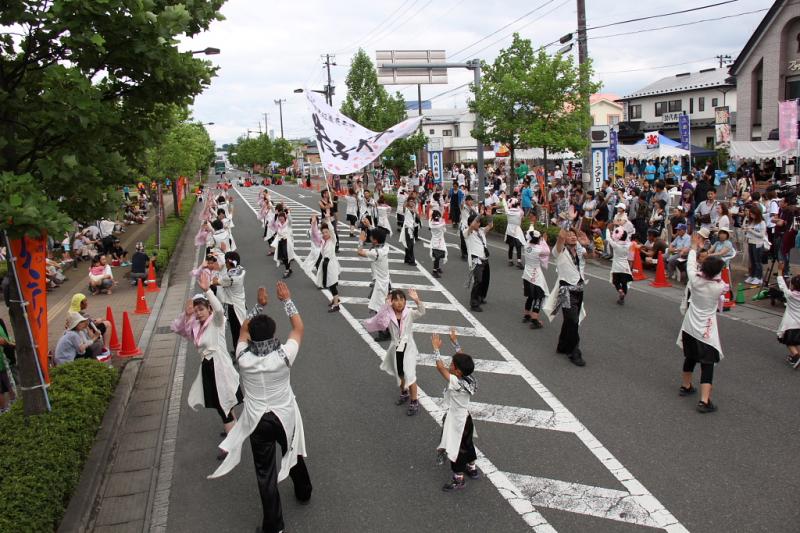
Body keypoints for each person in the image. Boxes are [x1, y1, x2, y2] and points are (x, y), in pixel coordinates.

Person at [209, 282, 312, 533]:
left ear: (252, 337)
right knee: (293, 450)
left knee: (265, 472)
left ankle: (274, 525)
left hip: (257, 421)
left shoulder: (243, 358)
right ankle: (303, 491)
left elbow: (243, 329)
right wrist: (286, 300)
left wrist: (258, 306)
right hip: (285, 415)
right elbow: (298, 327)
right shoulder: (284, 355)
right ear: (275, 333)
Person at [171, 272, 242, 440]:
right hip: (208, 367)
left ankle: (231, 445)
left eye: (201, 309)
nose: (199, 313)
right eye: (196, 311)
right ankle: (234, 429)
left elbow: (219, 309)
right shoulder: (196, 326)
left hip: (220, 367)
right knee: (224, 402)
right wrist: (187, 315)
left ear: (208, 308)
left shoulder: (217, 322)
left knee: (223, 403)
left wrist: (208, 290)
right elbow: (178, 329)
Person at [677, 233, 727, 413]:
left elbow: (690, 265)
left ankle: (686, 385)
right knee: (707, 364)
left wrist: (693, 247)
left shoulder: (695, 280)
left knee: (690, 357)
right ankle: (704, 401)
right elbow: (721, 283)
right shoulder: (718, 287)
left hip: (689, 326)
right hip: (706, 330)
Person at [363, 289, 425, 416]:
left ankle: (414, 401)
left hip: (408, 347)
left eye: (402, 299)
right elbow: (379, 322)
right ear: (392, 302)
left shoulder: (410, 313)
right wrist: (385, 306)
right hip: (396, 347)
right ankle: (404, 393)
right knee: (400, 373)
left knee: (410, 374)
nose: (399, 303)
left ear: (405, 301)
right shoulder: (388, 315)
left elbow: (421, 311)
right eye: (396, 300)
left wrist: (417, 300)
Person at [431, 331, 479, 492]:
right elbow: (463, 359)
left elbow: (439, 368)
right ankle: (472, 468)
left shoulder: (456, 382)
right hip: (466, 418)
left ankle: (458, 479)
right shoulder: (470, 378)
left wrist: (436, 349)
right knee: (467, 443)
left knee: (455, 447)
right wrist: (455, 342)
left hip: (456, 421)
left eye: (452, 364)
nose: (450, 365)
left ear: (458, 371)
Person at [543, 228, 592, 367]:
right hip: (565, 290)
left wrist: (587, 245)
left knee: (570, 320)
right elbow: (560, 238)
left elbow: (592, 257)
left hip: (579, 289)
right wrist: (565, 223)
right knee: (573, 320)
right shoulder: (559, 252)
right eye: (569, 235)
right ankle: (574, 352)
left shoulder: (580, 250)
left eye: (574, 235)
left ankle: (562, 345)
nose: (572, 237)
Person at [212, 251, 247, 349]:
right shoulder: (241, 270)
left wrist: (215, 270)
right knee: (242, 326)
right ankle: (240, 348)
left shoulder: (229, 277)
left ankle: (238, 351)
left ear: (228, 262)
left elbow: (215, 282)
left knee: (236, 330)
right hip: (241, 302)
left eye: (225, 261)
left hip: (233, 307)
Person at [310, 216, 341, 312]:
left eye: (326, 232)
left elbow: (331, 230)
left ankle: (336, 305)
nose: (324, 234)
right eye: (323, 232)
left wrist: (328, 220)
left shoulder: (332, 240)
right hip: (325, 264)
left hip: (331, 264)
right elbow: (314, 234)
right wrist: (314, 224)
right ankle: (335, 299)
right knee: (329, 283)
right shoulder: (324, 241)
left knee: (332, 284)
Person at [521, 228, 550, 329]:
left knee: (530, 296)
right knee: (539, 296)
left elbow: (530, 238)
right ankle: (534, 319)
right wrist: (544, 241)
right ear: (538, 239)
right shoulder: (538, 249)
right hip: (536, 276)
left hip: (527, 274)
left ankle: (526, 314)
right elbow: (547, 252)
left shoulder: (526, 245)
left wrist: (541, 240)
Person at [465, 211, 493, 312]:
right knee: (478, 281)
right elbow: (472, 225)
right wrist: (480, 214)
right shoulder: (467, 232)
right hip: (476, 260)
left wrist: (489, 215)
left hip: (485, 258)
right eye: (477, 222)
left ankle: (481, 297)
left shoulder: (481, 231)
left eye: (479, 222)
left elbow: (490, 225)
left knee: (485, 280)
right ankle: (474, 303)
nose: (479, 223)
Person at [776, 267, 800, 369]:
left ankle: (796, 356)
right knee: (798, 341)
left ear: (793, 286)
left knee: (789, 342)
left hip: (791, 324)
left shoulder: (790, 295)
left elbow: (782, 286)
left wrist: (780, 271)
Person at [743, 205, 767, 286]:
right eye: (750, 214)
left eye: (753, 214)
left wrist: (750, 230)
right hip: (750, 242)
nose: (751, 215)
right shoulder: (751, 221)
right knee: (752, 261)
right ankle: (752, 275)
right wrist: (746, 229)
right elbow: (749, 231)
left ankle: (759, 277)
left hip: (758, 244)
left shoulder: (762, 222)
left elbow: (761, 235)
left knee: (757, 261)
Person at [608, 228, 633, 305]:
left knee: (616, 282)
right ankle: (622, 297)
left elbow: (608, 238)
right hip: (625, 266)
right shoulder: (629, 244)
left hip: (616, 267)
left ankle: (620, 291)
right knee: (624, 283)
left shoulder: (615, 245)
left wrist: (608, 230)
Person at [271, 211, 296, 278]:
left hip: (287, 242)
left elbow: (290, 219)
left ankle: (287, 270)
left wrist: (288, 213)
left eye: (282, 218)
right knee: (282, 257)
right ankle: (289, 268)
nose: (281, 220)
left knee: (286, 256)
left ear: (285, 218)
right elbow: (272, 224)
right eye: (280, 218)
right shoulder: (278, 224)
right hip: (280, 242)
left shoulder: (288, 224)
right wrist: (276, 215)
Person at [504, 197, 524, 269]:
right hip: (517, 231)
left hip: (509, 230)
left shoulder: (508, 212)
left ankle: (510, 261)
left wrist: (503, 198)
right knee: (518, 246)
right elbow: (522, 216)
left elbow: (505, 206)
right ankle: (519, 262)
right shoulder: (520, 213)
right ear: (517, 205)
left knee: (511, 246)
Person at [428, 209, 448, 278]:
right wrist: (441, 220)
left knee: (438, 255)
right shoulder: (441, 224)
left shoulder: (430, 222)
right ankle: (434, 271)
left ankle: (437, 268)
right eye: (439, 216)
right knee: (437, 256)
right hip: (439, 242)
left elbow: (430, 217)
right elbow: (444, 230)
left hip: (434, 241)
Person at [459, 195, 477, 260]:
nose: (471, 201)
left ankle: (470, 253)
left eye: (471, 200)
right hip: (464, 225)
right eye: (469, 200)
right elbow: (461, 205)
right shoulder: (464, 207)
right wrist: (463, 200)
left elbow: (476, 215)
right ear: (466, 201)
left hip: (471, 226)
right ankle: (464, 254)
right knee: (463, 240)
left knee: (470, 240)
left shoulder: (474, 207)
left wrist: (472, 209)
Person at [400, 197, 417, 266]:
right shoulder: (406, 209)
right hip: (407, 228)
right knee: (410, 244)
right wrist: (406, 199)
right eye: (410, 201)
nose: (411, 202)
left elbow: (416, 218)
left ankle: (407, 258)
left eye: (412, 201)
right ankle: (411, 260)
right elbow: (404, 206)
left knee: (409, 244)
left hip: (412, 228)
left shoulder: (414, 209)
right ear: (408, 202)